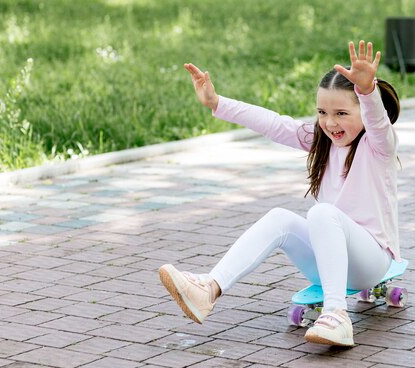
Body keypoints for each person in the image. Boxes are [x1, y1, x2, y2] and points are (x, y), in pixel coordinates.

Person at [159, 40, 401, 347]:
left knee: (322, 213)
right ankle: (208, 288)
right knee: (279, 219)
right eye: (322, 112)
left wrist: (367, 92)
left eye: (341, 113)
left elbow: (378, 122)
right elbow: (273, 123)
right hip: (330, 262)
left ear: (365, 113)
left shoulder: (378, 145)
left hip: (371, 262)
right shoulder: (321, 140)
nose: (329, 122)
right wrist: (217, 102)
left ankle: (337, 315)